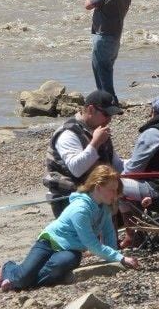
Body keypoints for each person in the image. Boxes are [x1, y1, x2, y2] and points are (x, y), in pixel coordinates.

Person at [0, 165, 139, 292]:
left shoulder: (104, 207)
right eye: (111, 190)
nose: (115, 194)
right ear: (98, 188)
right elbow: (91, 243)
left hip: (70, 249)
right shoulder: (80, 208)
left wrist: (113, 260)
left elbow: (108, 233)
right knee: (24, 275)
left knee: (63, 264)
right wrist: (120, 258)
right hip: (49, 241)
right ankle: (8, 269)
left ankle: (21, 283)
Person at [43, 90, 124, 218]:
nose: (109, 119)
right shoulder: (68, 133)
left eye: (111, 115)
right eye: (106, 114)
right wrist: (95, 143)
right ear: (91, 109)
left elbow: (116, 165)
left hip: (97, 193)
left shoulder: (99, 130)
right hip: (70, 197)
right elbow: (77, 169)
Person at [120, 95, 159, 248]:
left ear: (153, 111)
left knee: (109, 185)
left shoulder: (154, 133)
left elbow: (133, 169)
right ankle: (135, 234)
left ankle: (132, 235)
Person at [85, 0, 131, 104]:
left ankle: (110, 101)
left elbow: (88, 5)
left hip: (103, 37)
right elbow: (108, 6)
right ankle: (104, 100)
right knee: (103, 68)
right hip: (115, 38)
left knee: (102, 70)